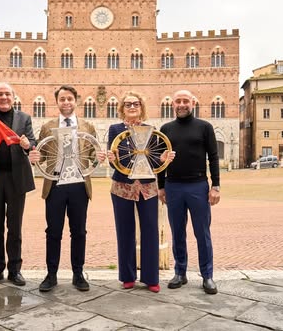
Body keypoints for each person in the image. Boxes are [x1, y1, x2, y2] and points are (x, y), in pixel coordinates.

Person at [28, 85, 105, 293]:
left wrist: (98, 158)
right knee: (53, 231)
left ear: (76, 101)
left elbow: (92, 156)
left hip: (79, 185)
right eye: (62, 99)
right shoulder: (47, 127)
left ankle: (78, 274)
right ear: (57, 102)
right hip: (54, 185)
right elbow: (42, 156)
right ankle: (51, 274)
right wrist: (34, 157)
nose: (66, 102)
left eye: (69, 99)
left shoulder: (87, 126)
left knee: (79, 231)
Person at [106, 91, 174, 293]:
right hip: (122, 186)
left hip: (147, 186)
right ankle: (127, 276)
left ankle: (151, 278)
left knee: (150, 230)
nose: (132, 107)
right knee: (124, 231)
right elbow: (114, 155)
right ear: (122, 108)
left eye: (136, 104)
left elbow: (154, 159)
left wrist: (163, 160)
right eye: (128, 104)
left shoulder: (151, 130)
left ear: (141, 107)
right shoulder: (115, 129)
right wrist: (111, 157)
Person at [158, 89, 220, 295]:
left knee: (202, 233)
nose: (182, 104)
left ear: (193, 103)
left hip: (198, 186)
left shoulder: (205, 127)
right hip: (173, 186)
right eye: (178, 101)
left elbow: (213, 157)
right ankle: (180, 272)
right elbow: (161, 161)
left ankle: (207, 275)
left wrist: (216, 186)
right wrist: (160, 186)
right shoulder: (165, 129)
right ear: (172, 104)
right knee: (177, 232)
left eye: (185, 101)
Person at [0, 83, 36, 287]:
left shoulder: (24, 118)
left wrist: (27, 145)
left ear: (14, 97)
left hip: (16, 179)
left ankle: (15, 270)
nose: (4, 97)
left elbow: (32, 142)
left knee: (15, 227)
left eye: (7, 94)